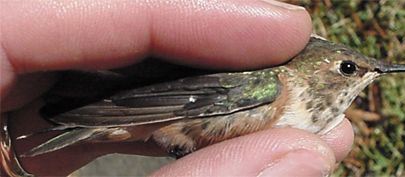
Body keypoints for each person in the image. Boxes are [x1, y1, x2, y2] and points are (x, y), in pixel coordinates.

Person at [0, 1, 354, 176]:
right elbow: (191, 104)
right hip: (163, 115)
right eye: (348, 70)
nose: (357, 77)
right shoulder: (274, 84)